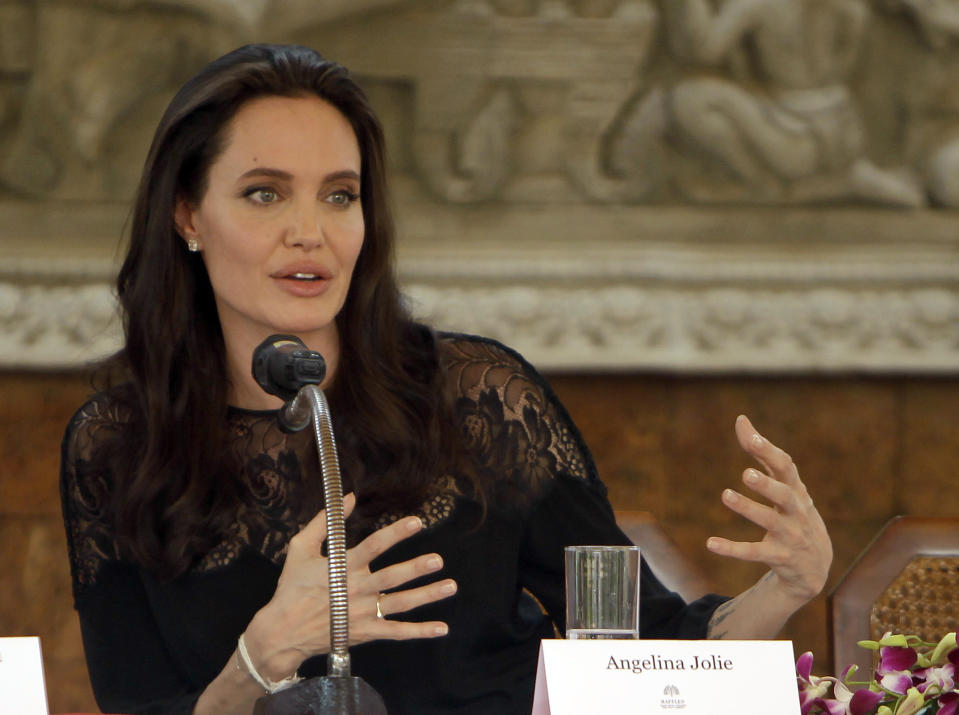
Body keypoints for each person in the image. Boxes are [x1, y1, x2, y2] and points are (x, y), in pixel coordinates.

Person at [59, 43, 833, 715]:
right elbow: (137, 700)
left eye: (340, 194)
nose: (311, 230)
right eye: (265, 193)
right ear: (188, 215)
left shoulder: (479, 397)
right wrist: (258, 661)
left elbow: (641, 652)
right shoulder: (118, 445)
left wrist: (783, 589)